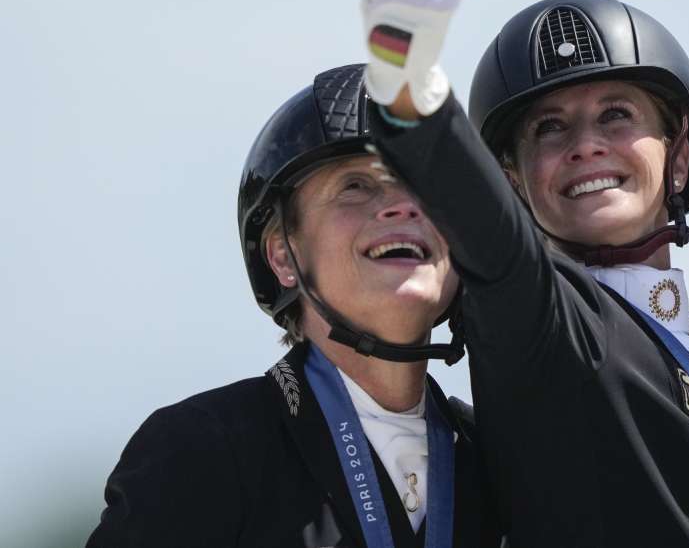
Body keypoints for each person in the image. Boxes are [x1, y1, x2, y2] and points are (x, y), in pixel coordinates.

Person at [359, 0, 689, 546]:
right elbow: (493, 236)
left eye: (617, 115)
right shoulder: (539, 321)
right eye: (550, 128)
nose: (586, 145)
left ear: (678, 156)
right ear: (512, 181)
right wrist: (403, 70)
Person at [86, 65, 499, 548]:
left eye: (425, 186)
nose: (404, 206)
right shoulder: (202, 448)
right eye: (357, 186)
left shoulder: (498, 460)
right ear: (284, 255)